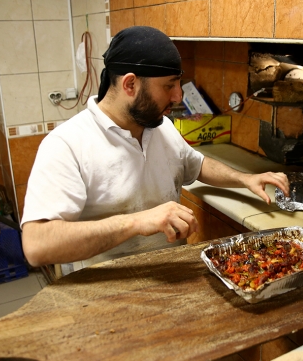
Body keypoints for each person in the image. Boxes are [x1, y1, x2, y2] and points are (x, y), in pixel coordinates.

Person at [21, 26, 289, 272]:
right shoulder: (67, 145)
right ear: (130, 84)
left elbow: (196, 164)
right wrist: (136, 222)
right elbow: (36, 246)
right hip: (106, 294)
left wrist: (245, 179)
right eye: (169, 85)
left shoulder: (161, 128)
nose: (178, 96)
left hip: (173, 277)